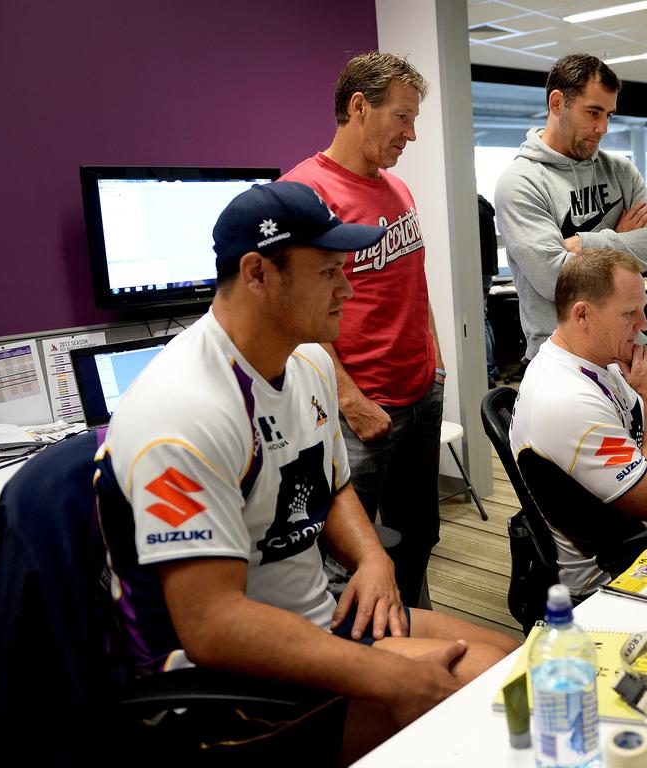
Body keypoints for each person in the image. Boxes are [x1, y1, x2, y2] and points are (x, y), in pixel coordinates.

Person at [94, 181, 518, 760]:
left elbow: (332, 482)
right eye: (328, 272)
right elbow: (213, 624)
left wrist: (372, 558)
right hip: (218, 688)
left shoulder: (310, 360)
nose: (348, 288)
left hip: (314, 625)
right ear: (257, 273)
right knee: (497, 696)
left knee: (523, 664)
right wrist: (386, 676)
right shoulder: (183, 411)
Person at [281, 52, 443, 608]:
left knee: (418, 537)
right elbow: (299, 317)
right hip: (359, 408)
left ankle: (417, 636)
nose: (412, 134)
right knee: (349, 559)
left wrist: (435, 361)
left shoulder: (397, 191)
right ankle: (363, 673)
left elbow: (414, 283)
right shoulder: (304, 194)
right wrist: (349, 398)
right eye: (402, 117)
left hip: (421, 392)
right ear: (358, 108)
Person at [509, 248, 647, 596]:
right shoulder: (565, 399)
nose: (643, 325)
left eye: (642, 310)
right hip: (613, 570)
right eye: (630, 313)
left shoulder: (600, 358)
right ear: (582, 315)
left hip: (635, 525)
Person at [494, 53, 647, 360]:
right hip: (564, 357)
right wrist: (621, 239)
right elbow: (555, 281)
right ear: (557, 103)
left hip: (630, 349)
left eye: (609, 115)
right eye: (593, 112)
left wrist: (583, 244)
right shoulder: (521, 183)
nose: (603, 127)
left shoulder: (621, 171)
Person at [478, 193, 502, 388]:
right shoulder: (485, 208)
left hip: (478, 272)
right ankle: (491, 369)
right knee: (485, 320)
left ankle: (487, 371)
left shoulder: (473, 210)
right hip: (488, 271)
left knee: (481, 321)